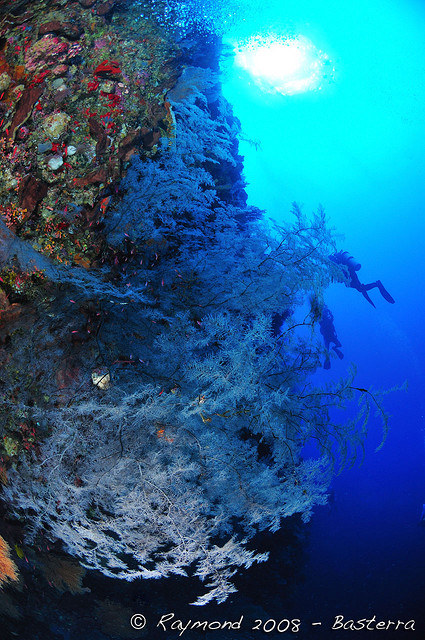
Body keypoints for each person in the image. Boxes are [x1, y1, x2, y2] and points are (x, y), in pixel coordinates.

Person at [330, 250, 395, 308]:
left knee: (360, 288)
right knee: (359, 288)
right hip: (351, 273)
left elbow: (338, 275)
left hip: (350, 274)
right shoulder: (338, 260)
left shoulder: (334, 262)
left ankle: (376, 284)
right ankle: (376, 284)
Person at [319, 305, 344, 369]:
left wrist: (329, 312)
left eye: (326, 313)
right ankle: (327, 362)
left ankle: (334, 348)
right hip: (326, 338)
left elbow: (332, 318)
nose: (325, 314)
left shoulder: (329, 320)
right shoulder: (322, 321)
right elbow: (319, 320)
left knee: (339, 345)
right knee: (326, 351)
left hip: (332, 336)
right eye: (324, 313)